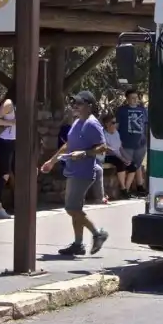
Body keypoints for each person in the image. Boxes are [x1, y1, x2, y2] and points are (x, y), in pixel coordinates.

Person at [40, 90, 109, 256]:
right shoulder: (78, 122)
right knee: (75, 208)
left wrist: (84, 153)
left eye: (79, 103)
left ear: (89, 106)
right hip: (73, 170)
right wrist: (52, 161)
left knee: (71, 208)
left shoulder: (92, 124)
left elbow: (103, 147)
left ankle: (98, 233)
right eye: (74, 103)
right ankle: (78, 244)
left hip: (83, 172)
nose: (75, 106)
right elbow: (68, 145)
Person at [116, 88, 149, 196]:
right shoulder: (121, 111)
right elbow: (116, 126)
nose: (135, 100)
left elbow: (146, 125)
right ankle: (126, 189)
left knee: (138, 165)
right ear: (127, 99)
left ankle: (139, 186)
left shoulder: (143, 110)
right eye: (132, 98)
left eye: (136, 98)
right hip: (126, 143)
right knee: (130, 165)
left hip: (141, 143)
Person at [0, 96, 17, 219]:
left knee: (14, 173)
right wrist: (11, 123)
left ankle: (16, 203)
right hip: (4, 141)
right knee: (4, 174)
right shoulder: (9, 103)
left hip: (13, 141)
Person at [101, 112, 136, 198]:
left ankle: (126, 190)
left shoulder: (116, 132)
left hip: (117, 155)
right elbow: (108, 150)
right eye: (113, 123)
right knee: (120, 163)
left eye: (115, 122)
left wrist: (127, 157)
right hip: (108, 156)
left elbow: (120, 147)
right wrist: (122, 159)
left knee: (133, 166)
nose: (115, 125)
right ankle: (123, 189)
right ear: (106, 124)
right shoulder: (103, 133)